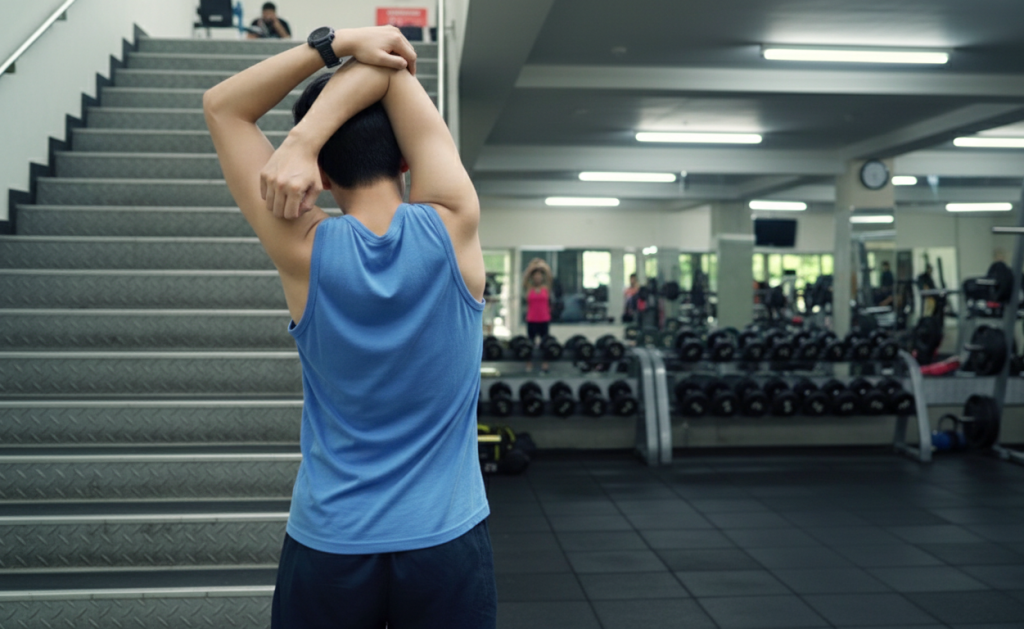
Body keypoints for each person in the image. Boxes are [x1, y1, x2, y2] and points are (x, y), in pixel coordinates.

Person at [203, 25, 495, 628]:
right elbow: (393, 63)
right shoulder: (455, 225)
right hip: (444, 539)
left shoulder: (302, 250)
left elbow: (223, 106)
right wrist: (316, 128)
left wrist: (329, 58)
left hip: (331, 540)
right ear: (408, 158)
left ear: (323, 176)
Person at [523, 258, 552, 373]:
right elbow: (525, 277)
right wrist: (532, 266)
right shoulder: (529, 288)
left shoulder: (546, 288)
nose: (537, 277)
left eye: (539, 276)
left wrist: (542, 265)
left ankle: (545, 364)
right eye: (535, 276)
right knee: (530, 343)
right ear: (533, 277)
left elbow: (549, 275)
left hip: (544, 319)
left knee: (545, 343)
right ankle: (529, 364)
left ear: (542, 278)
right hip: (531, 320)